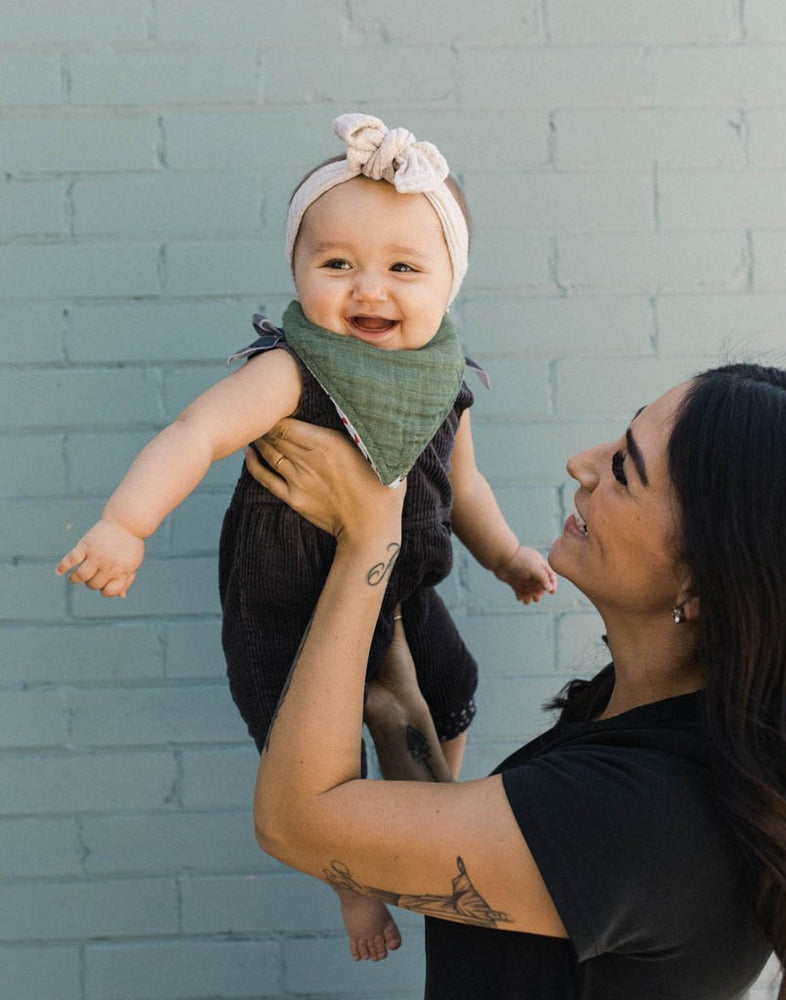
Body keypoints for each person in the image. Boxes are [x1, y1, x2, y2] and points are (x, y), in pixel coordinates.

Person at [54, 113, 556, 961]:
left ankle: (422, 817)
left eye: (404, 268)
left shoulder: (446, 383)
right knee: (313, 760)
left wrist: (506, 556)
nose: (368, 289)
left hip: (396, 588)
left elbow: (463, 485)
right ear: (296, 271)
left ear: (449, 284)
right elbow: (194, 433)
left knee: (452, 682)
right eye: (337, 265)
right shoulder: (290, 370)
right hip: (285, 600)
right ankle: (355, 890)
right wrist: (124, 524)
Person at [244, 361, 786, 999]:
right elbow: (471, 860)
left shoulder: (642, 813)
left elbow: (293, 821)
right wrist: (396, 700)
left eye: (623, 469)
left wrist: (369, 541)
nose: (581, 463)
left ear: (698, 582)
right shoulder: (650, 724)